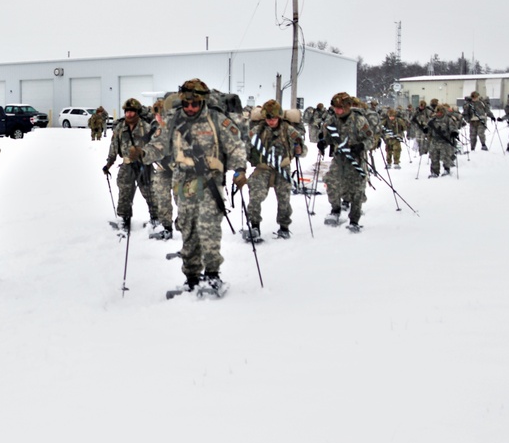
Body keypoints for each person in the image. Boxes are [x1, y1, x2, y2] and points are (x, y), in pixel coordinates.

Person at [141, 79, 247, 294]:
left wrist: (240, 170)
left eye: (195, 104)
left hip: (210, 181)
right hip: (183, 181)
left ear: (202, 102)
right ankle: (191, 277)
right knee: (187, 229)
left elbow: (236, 146)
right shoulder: (173, 119)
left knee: (208, 227)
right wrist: (143, 154)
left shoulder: (217, 120)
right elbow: (159, 144)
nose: (190, 108)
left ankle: (212, 276)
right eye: (187, 104)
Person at [243, 99, 306, 240]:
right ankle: (254, 227)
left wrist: (299, 149)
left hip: (282, 167)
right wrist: (240, 166)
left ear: (279, 117)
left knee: (284, 198)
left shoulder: (288, 130)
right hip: (263, 168)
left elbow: (302, 147)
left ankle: (284, 227)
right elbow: (245, 148)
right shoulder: (257, 131)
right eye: (268, 118)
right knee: (255, 195)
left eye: (274, 118)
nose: (271, 121)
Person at [316, 91, 374, 231]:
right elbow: (328, 137)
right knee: (331, 183)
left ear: (347, 107)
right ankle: (335, 210)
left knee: (356, 190)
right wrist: (323, 142)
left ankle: (354, 220)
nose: (337, 110)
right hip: (339, 158)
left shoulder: (359, 120)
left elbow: (371, 139)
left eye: (340, 107)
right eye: (335, 108)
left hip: (356, 159)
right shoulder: (331, 121)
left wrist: (361, 146)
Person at [103, 98, 156, 231]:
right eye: (127, 112)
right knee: (124, 193)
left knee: (151, 193)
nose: (129, 114)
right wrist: (109, 164)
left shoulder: (146, 127)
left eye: (132, 112)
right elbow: (114, 146)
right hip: (127, 166)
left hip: (144, 165)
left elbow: (156, 146)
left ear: (137, 112)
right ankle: (124, 220)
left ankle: (156, 220)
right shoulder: (120, 127)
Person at [147, 99, 174, 240]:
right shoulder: (153, 128)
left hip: (180, 169)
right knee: (162, 197)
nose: (159, 117)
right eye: (157, 114)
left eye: (162, 114)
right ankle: (167, 227)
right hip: (163, 168)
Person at [424, 103, 458, 177]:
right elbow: (428, 128)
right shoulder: (432, 120)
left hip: (445, 141)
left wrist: (454, 133)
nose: (438, 114)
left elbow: (453, 127)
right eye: (437, 112)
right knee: (434, 157)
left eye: (440, 112)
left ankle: (447, 169)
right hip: (434, 141)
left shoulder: (448, 119)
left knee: (445, 157)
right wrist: (426, 130)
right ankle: (434, 172)